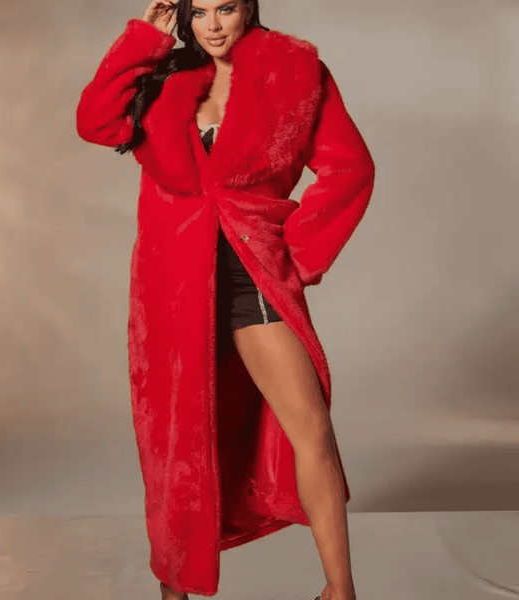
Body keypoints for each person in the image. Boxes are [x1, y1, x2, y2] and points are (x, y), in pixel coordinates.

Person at [76, 1, 375, 599]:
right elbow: (96, 121)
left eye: (227, 8)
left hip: (250, 274)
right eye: (200, 12)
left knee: (310, 429)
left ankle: (340, 591)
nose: (212, 25)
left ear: (249, 9)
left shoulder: (295, 71)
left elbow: (350, 167)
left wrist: (296, 255)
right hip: (171, 285)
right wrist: (144, 39)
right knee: (175, 443)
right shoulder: (165, 75)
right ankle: (175, 591)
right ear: (184, 16)